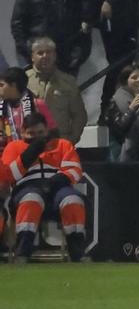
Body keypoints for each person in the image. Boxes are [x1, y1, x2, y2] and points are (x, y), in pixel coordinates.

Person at [0, 103, 87, 261]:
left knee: (72, 200)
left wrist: (56, 181)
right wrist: (29, 154)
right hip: (27, 188)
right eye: (31, 133)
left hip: (58, 188)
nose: (37, 137)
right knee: (32, 199)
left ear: (47, 130)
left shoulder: (62, 145)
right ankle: (23, 252)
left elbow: (74, 169)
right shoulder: (14, 147)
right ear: (22, 132)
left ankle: (78, 252)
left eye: (40, 132)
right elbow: (9, 175)